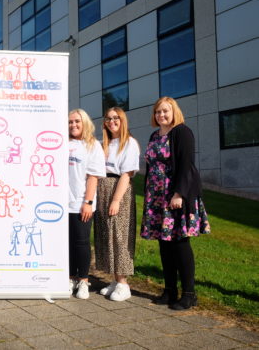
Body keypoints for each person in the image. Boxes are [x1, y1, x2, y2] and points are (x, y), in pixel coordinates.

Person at [141, 96, 211, 310]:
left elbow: (186, 165)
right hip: (156, 196)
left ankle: (189, 294)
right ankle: (170, 290)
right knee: (164, 244)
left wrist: (179, 193)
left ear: (174, 112)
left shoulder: (182, 132)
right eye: (157, 112)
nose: (161, 115)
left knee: (180, 243)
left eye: (165, 111)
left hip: (175, 194)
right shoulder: (155, 135)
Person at [94, 107, 140, 301]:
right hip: (101, 187)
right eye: (108, 118)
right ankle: (114, 279)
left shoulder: (129, 143)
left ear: (122, 120)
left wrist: (116, 200)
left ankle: (123, 283)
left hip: (118, 188)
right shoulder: (103, 144)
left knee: (119, 235)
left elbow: (127, 174)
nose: (111, 121)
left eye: (116, 118)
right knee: (106, 234)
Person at [67, 109, 106, 299]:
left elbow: (93, 177)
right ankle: (71, 277)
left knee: (81, 242)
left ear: (85, 123)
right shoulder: (62, 143)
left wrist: (88, 202)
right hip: (61, 204)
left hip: (81, 202)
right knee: (67, 242)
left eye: (77, 121)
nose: (73, 125)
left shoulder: (93, 146)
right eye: (70, 122)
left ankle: (83, 280)